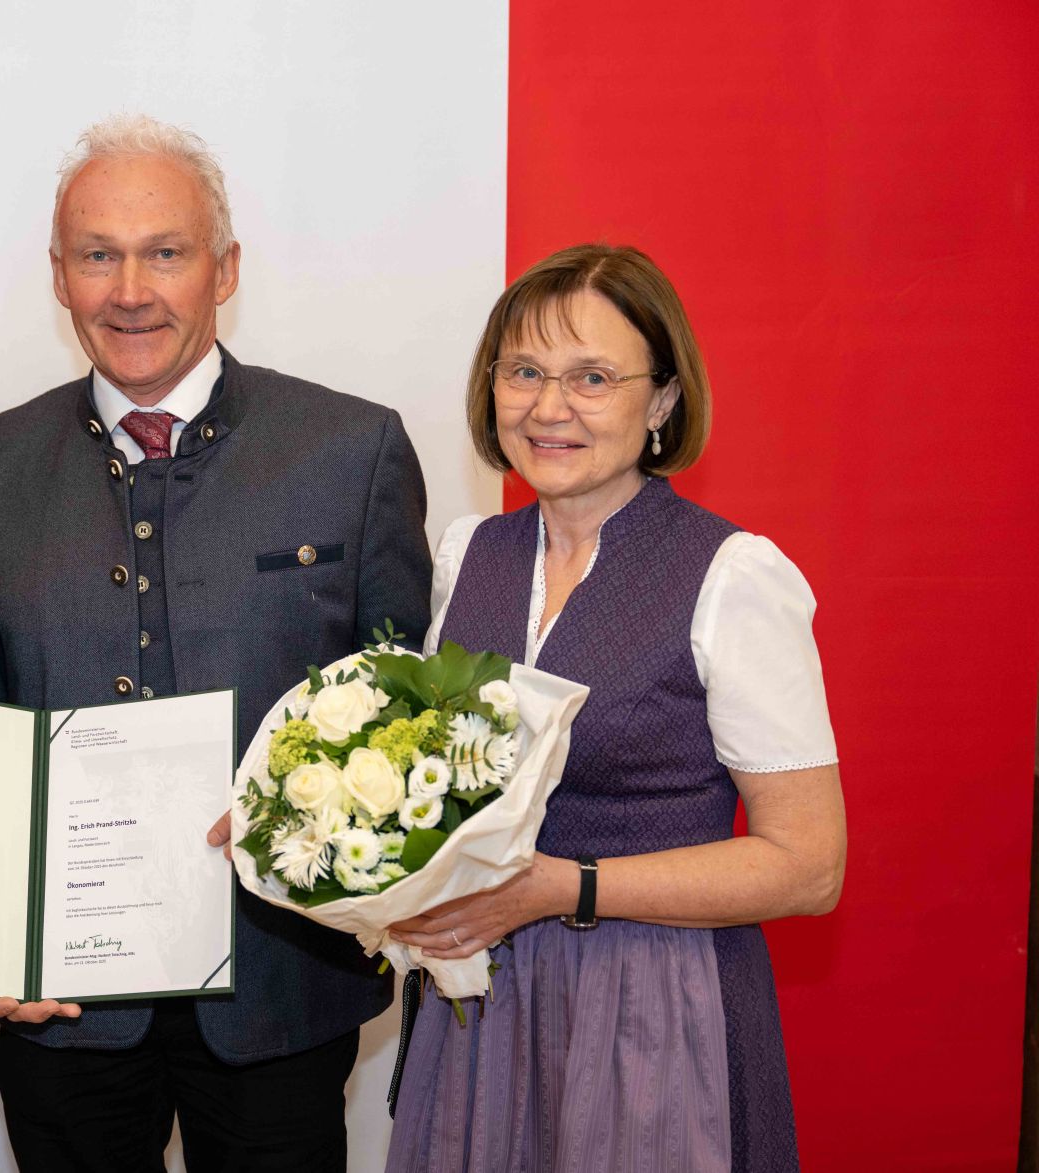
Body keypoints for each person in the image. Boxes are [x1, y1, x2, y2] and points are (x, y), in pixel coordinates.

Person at [0, 113, 432, 1171]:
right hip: (62, 1005)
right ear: (58, 277)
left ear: (225, 269)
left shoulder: (353, 451)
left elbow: (405, 717)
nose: (130, 289)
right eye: (97, 256)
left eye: (165, 251)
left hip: (281, 993)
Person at [383, 243, 846, 1171]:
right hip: (480, 1005)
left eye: (592, 377)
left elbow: (808, 866)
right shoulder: (468, 554)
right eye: (524, 372)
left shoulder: (731, 575)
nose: (549, 408)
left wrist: (568, 885)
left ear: (662, 401)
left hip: (654, 1010)